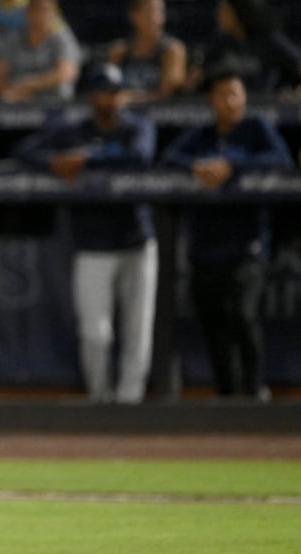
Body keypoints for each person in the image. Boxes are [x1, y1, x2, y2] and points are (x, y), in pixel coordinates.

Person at [14, 63, 158, 403]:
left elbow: (140, 155)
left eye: (115, 92)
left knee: (138, 333)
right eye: (103, 92)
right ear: (92, 96)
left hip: (136, 240)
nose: (110, 99)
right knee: (95, 334)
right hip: (92, 242)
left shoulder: (136, 127)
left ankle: (129, 404)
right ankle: (99, 400)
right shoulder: (73, 131)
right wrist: (55, 162)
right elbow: (24, 151)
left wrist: (87, 159)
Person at [160, 67, 294, 400]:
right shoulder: (203, 135)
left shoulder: (256, 128)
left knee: (243, 315)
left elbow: (281, 159)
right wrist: (197, 166)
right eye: (224, 94)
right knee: (213, 322)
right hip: (205, 245)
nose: (231, 101)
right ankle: (227, 393)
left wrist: (232, 166)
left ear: (245, 98)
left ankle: (255, 388)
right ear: (212, 100)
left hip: (246, 244)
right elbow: (168, 158)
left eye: (236, 94)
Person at [189, 0, 301, 95]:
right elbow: (200, 76)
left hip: (264, 106)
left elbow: (297, 63)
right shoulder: (220, 42)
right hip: (230, 105)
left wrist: (296, 92)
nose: (219, 15)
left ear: (238, 12)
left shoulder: (268, 39)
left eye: (224, 10)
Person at [0, 0, 81, 103]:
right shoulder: (12, 39)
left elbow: (66, 72)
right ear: (27, 13)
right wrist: (6, 91)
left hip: (54, 103)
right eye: (38, 10)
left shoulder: (62, 38)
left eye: (47, 11)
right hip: (16, 102)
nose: (43, 15)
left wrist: (29, 85)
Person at [105, 0, 187, 102]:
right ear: (133, 15)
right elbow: (107, 91)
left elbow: (167, 94)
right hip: (123, 114)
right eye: (149, 12)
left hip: (162, 114)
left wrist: (131, 98)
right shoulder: (119, 51)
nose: (155, 18)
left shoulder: (173, 50)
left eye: (160, 12)